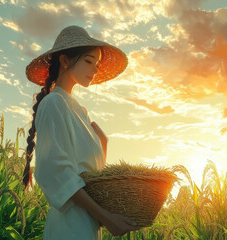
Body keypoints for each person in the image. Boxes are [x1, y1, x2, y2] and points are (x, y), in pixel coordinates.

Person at [22, 25, 140, 239]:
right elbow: (57, 173)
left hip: (88, 222)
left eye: (97, 63)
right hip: (69, 224)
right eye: (88, 61)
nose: (95, 69)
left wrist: (103, 145)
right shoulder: (53, 103)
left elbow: (90, 177)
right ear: (65, 60)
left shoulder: (81, 112)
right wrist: (105, 216)